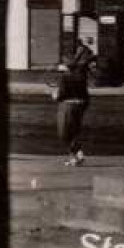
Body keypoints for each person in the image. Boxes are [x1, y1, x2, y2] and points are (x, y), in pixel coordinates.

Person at [54, 38, 96, 166]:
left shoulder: (65, 77)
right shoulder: (81, 74)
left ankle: (76, 154)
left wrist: (55, 95)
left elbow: (61, 94)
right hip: (82, 103)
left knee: (65, 131)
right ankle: (77, 155)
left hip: (68, 105)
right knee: (75, 129)